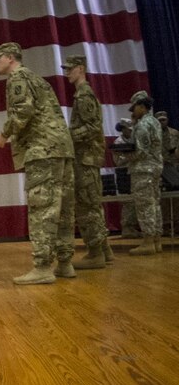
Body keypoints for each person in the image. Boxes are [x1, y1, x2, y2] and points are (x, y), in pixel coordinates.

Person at [0, 42, 76, 284]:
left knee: (42, 207)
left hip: (42, 149)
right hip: (61, 149)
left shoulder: (17, 78)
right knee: (63, 207)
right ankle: (65, 263)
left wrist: (3, 134)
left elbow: (22, 112)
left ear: (10, 57)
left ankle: (42, 267)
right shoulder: (38, 79)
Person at [62, 55, 114, 269]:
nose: (67, 73)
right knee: (91, 203)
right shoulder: (81, 94)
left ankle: (95, 253)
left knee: (86, 206)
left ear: (81, 69)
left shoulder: (84, 95)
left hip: (85, 158)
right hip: (86, 157)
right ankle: (105, 250)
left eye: (70, 69)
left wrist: (68, 136)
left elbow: (93, 127)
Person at [128, 90, 164, 255]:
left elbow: (141, 151)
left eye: (134, 107)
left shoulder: (142, 125)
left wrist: (125, 155)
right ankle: (156, 240)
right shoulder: (155, 122)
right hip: (155, 167)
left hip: (143, 169)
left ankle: (148, 241)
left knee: (144, 205)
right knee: (154, 204)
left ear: (142, 106)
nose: (133, 111)